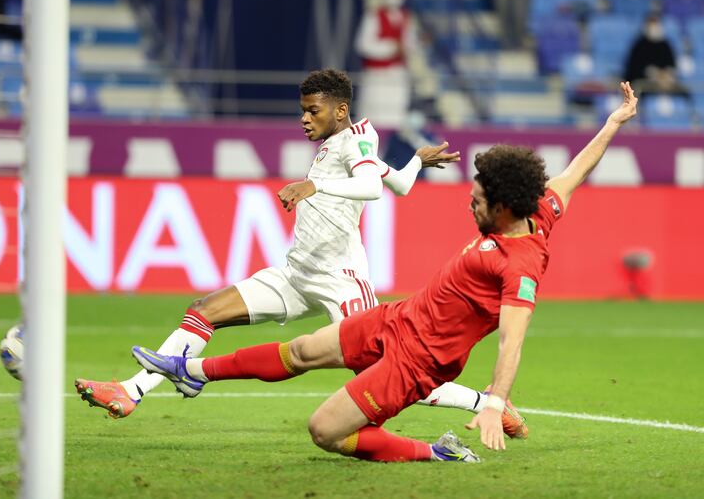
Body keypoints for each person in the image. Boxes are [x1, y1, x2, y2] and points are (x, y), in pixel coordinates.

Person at [131, 82, 639, 463]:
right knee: (305, 348)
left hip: (419, 360)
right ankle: (188, 370)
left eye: (479, 199)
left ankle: (435, 453)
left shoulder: (521, 262)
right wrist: (614, 123)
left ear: (504, 207)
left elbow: (513, 340)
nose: (470, 200)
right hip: (398, 318)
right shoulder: (542, 206)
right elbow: (575, 172)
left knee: (325, 431)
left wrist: (494, 402)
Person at [76, 69, 525, 437]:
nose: (305, 120)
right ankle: (131, 391)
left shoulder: (358, 141)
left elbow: (370, 186)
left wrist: (314, 184)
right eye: (302, 112)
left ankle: (489, 402)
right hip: (296, 273)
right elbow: (399, 185)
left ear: (341, 110)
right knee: (205, 309)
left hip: (339, 280)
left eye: (313, 111)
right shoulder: (341, 144)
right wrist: (416, 162)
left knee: (392, 370)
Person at [354, 0, 417, 129]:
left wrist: (406, 48)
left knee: (395, 113)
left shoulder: (406, 17)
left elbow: (410, 44)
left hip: (397, 74)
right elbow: (363, 45)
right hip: (376, 75)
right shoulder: (374, 15)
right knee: (373, 114)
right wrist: (391, 47)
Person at [623, 14, 689, 98]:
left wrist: (667, 74)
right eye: (652, 24)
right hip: (645, 82)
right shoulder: (639, 45)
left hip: (666, 81)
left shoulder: (665, 44)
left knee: (684, 91)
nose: (654, 27)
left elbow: (672, 65)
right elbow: (633, 68)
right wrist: (654, 74)